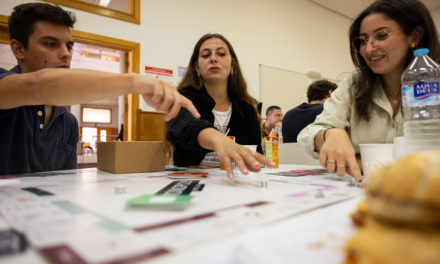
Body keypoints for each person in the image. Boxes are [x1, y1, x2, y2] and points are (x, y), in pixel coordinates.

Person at [0, 3, 199, 175]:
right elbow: (36, 86)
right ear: (19, 49)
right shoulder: (4, 87)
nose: (65, 54)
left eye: (69, 46)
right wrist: (136, 82)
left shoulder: (67, 122)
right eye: (51, 44)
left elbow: (65, 183)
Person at [297, 0, 440, 182]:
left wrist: (364, 161)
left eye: (381, 35)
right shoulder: (353, 84)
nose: (369, 48)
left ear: (414, 36)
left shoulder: (433, 80)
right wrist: (329, 134)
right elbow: (311, 132)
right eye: (363, 40)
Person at [167, 33, 273, 179]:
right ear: (197, 67)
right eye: (206, 55)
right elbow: (185, 125)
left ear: (232, 65)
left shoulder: (246, 108)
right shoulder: (184, 98)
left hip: (235, 181)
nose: (213, 58)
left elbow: (254, 154)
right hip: (191, 181)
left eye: (221, 54)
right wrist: (219, 140)